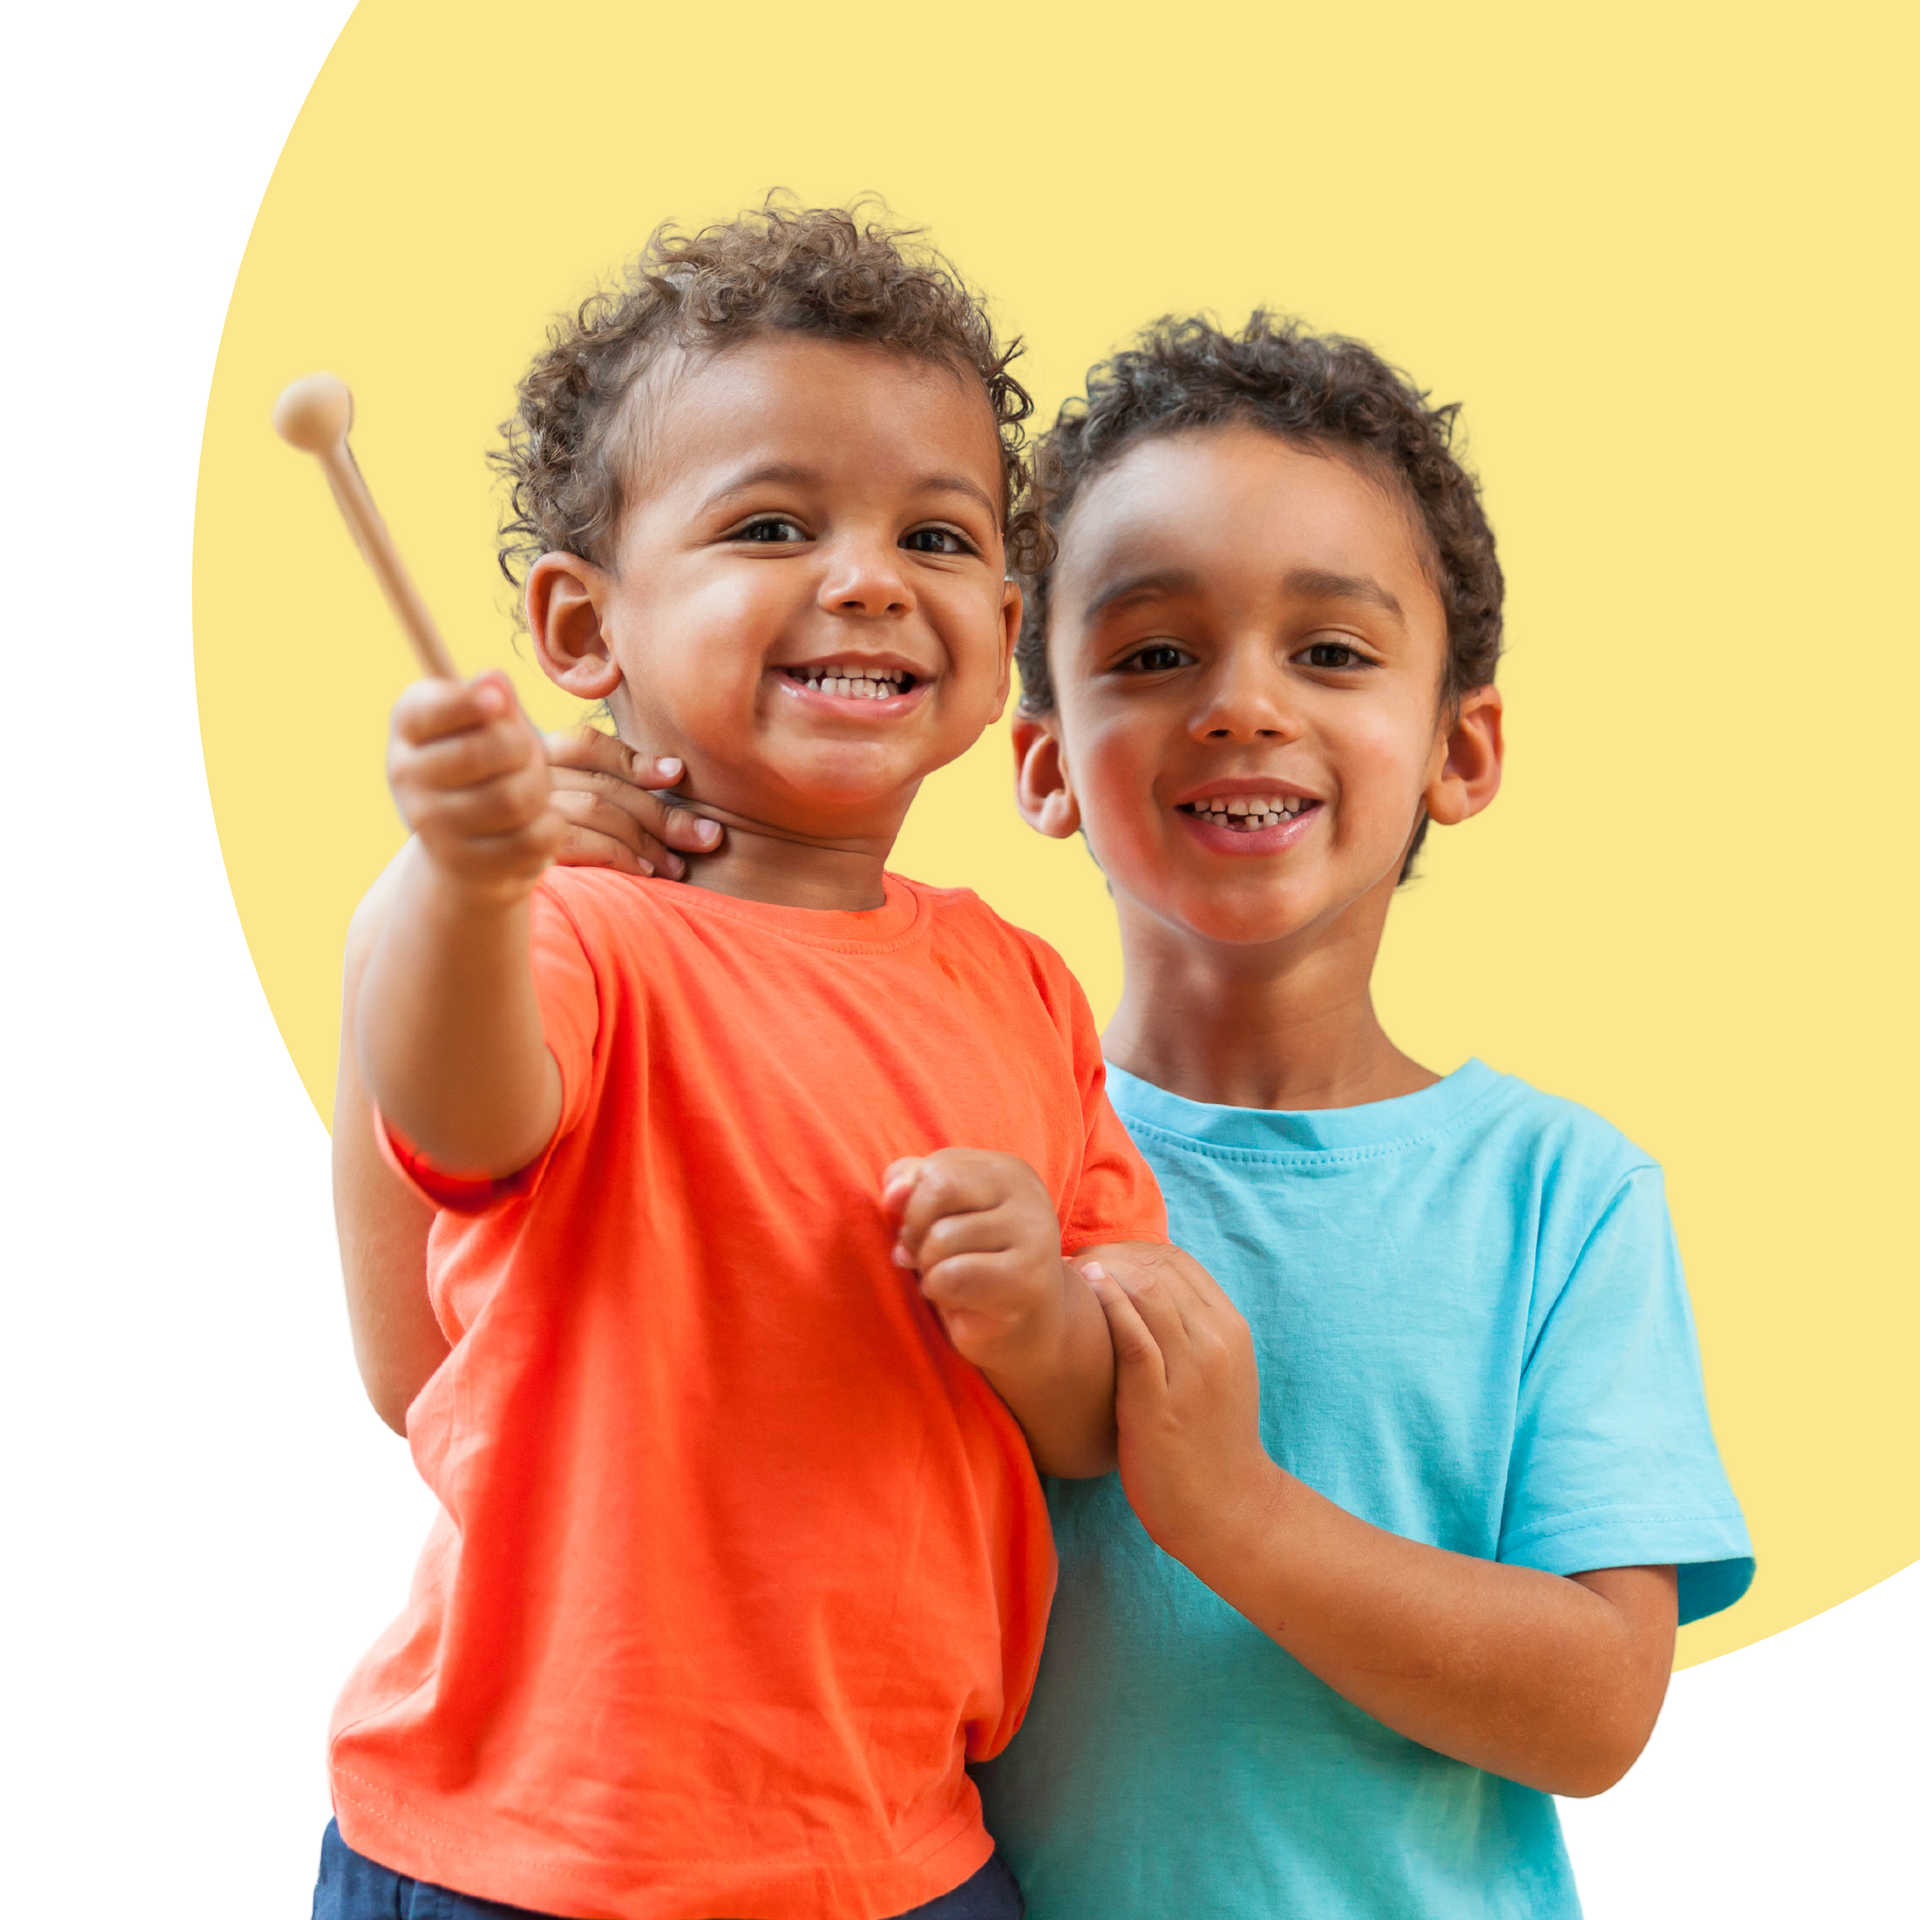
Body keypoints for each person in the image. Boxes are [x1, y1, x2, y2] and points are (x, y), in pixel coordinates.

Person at [312, 201, 1169, 1920]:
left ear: (1003, 627)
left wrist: (1041, 1317)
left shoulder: (1025, 988)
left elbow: (1097, 1428)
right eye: (773, 523)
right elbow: (460, 1107)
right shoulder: (569, 934)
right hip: (523, 1856)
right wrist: (454, 882)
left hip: (907, 1854)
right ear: (579, 630)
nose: (867, 577)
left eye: (935, 536)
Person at [968, 311, 1754, 1916]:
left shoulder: (1562, 1197)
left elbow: (1601, 1716)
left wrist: (1233, 1509)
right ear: (1041, 762)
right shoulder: (975, 1149)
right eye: (1150, 653)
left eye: (1329, 651)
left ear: (1458, 747)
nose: (1241, 705)